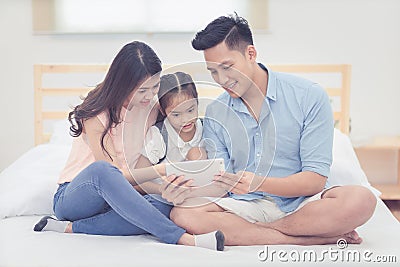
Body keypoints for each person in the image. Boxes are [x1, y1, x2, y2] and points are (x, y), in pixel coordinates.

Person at [167, 14, 377, 246]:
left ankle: (259, 232)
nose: (222, 79)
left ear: (251, 54)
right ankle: (305, 239)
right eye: (213, 72)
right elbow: (221, 183)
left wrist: (259, 183)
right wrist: (187, 185)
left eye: (227, 67)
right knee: (182, 214)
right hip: (247, 205)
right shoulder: (216, 112)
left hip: (303, 204)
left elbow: (315, 180)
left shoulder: (309, 96)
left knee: (361, 200)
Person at [33, 41, 224, 251]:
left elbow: (181, 113)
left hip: (124, 197)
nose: (150, 95)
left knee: (164, 204)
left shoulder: (152, 107)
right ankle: (181, 238)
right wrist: (162, 171)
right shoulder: (97, 112)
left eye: (155, 86)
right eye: (143, 90)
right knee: (103, 171)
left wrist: (166, 189)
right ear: (123, 84)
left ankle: (71, 229)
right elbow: (115, 177)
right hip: (79, 196)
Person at [141, 71, 207, 165]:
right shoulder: (159, 134)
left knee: (196, 154)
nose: (185, 120)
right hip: (166, 178)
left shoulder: (208, 128)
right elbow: (140, 172)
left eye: (190, 110)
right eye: (176, 115)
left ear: (197, 101)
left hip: (201, 178)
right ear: (163, 111)